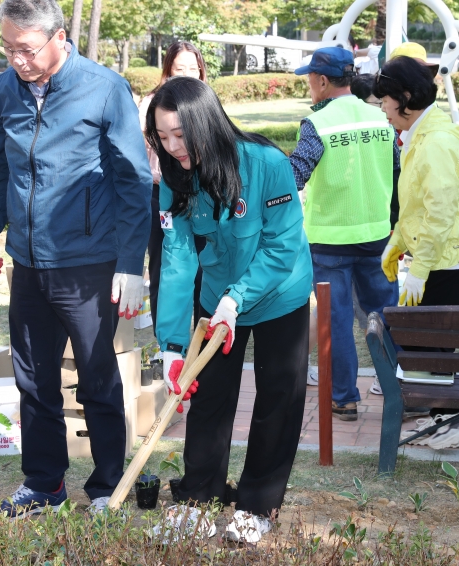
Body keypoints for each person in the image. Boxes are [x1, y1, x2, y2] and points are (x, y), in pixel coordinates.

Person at [0, 0, 151, 517]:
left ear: (59, 37)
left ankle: (106, 487)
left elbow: (134, 181)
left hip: (89, 262)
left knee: (97, 379)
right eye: (7, 49)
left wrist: (129, 263)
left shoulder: (104, 87)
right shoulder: (4, 89)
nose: (17, 61)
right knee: (33, 380)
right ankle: (45, 484)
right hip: (27, 263)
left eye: (26, 50)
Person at [150, 77, 312, 544]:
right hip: (216, 296)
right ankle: (198, 502)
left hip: (278, 292)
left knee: (277, 399)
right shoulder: (174, 178)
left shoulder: (267, 164)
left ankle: (257, 505)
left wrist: (236, 299)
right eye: (162, 137)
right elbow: (177, 259)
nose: (173, 147)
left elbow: (281, 247)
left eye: (180, 135)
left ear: (206, 124)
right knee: (210, 401)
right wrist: (173, 346)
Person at [374, 56, 459, 449]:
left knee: (424, 334)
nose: (383, 110)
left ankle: (455, 414)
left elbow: (440, 213)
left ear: (405, 98)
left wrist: (420, 267)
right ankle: (450, 415)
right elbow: (418, 206)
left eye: (385, 102)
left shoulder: (435, 142)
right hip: (445, 253)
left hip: (451, 256)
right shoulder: (422, 134)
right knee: (429, 334)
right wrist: (398, 243)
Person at [289, 47, 399, 421]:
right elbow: (397, 171)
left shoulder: (316, 124)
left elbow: (294, 176)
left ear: (321, 81)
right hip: (378, 235)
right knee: (385, 316)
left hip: (329, 241)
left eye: (310, 78)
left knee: (334, 323)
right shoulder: (381, 118)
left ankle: (345, 398)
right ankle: (400, 388)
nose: (309, 84)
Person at [138, 41, 208, 331]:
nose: (187, 74)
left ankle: (203, 338)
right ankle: (166, 343)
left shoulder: (205, 102)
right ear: (167, 71)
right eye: (180, 69)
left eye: (194, 68)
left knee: (204, 269)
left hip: (201, 195)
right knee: (165, 269)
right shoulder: (151, 105)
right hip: (160, 195)